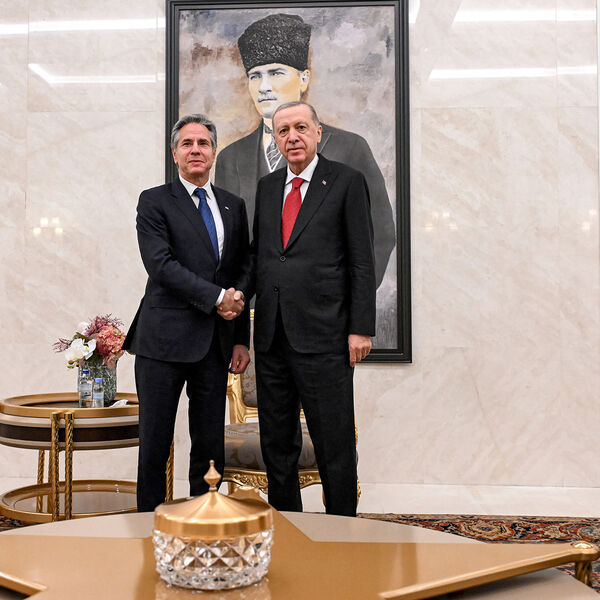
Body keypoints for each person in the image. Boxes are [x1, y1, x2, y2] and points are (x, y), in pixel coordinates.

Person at [230, 101, 376, 516]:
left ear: (317, 132)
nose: (292, 137)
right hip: (272, 338)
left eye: (300, 128)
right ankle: (287, 527)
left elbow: (361, 260)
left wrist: (360, 328)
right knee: (278, 444)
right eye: (283, 131)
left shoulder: (346, 182)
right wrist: (237, 297)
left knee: (333, 442)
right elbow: (261, 255)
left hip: (326, 338)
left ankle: (343, 531)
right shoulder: (268, 187)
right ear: (276, 139)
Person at [123, 114, 250, 512]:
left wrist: (241, 338)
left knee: (209, 442)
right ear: (175, 153)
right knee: (155, 440)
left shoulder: (233, 205)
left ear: (214, 152)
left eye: (203, 143)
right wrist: (218, 297)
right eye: (187, 143)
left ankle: (204, 517)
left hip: (215, 342)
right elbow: (161, 266)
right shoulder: (154, 201)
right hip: (162, 341)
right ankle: (150, 522)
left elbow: (243, 268)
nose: (196, 150)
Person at [214, 12, 394, 289]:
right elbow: (231, 241)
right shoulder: (230, 158)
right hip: (260, 309)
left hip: (326, 306)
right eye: (255, 76)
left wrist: (349, 301)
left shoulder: (350, 148)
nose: (264, 87)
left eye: (276, 73)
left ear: (303, 79)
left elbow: (379, 233)